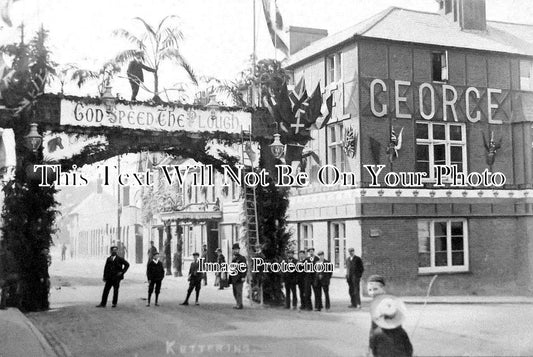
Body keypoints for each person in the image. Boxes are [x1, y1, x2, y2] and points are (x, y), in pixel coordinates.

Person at [367, 275, 413, 357]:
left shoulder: (388, 304)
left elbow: (395, 322)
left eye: (375, 289)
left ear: (383, 289)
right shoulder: (374, 303)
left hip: (383, 336)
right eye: (370, 290)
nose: (373, 293)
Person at [228, 243, 247, 309]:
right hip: (233, 278)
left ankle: (239, 305)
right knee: (234, 292)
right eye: (234, 250)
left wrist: (243, 277)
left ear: (239, 250)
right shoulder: (233, 258)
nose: (235, 251)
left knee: (239, 292)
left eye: (236, 249)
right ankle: (238, 303)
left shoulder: (242, 258)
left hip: (239, 277)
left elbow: (244, 268)